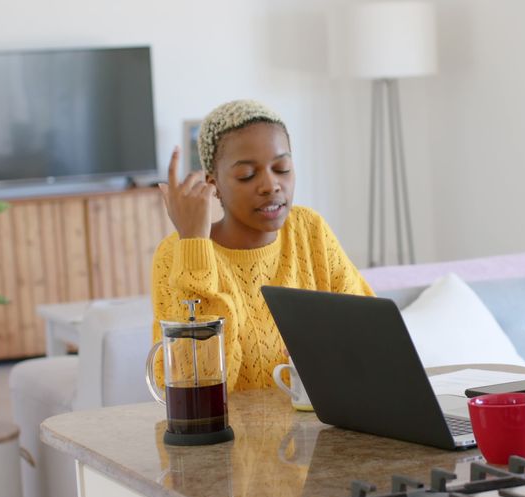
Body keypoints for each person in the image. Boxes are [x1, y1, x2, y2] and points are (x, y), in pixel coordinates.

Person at [152, 100, 373, 392]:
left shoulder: (310, 230)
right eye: (247, 175)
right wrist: (194, 243)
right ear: (212, 182)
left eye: (282, 168)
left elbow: (370, 336)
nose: (271, 185)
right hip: (229, 436)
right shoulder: (175, 254)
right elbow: (195, 386)